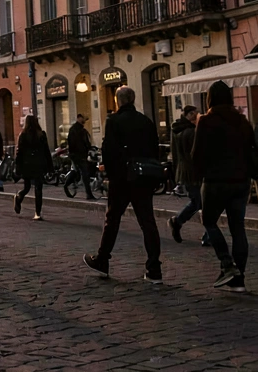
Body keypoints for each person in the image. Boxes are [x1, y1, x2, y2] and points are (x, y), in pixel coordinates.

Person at [83, 86, 162, 283]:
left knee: (112, 220)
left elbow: (109, 151)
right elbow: (155, 149)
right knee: (148, 222)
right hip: (143, 177)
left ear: (118, 101)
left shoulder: (114, 121)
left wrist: (110, 174)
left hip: (122, 179)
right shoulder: (146, 121)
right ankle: (154, 268)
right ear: (133, 100)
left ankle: (102, 259)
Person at [192, 81, 256, 292]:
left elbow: (197, 153)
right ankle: (239, 279)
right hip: (241, 179)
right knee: (238, 228)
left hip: (216, 180)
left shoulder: (206, 121)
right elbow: (251, 148)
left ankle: (227, 264)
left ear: (209, 99)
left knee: (209, 221)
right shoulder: (242, 121)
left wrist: (196, 175)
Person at [169, 105, 208, 245]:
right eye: (195, 114)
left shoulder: (176, 129)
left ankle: (178, 222)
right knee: (202, 202)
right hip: (194, 172)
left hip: (184, 171)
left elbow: (174, 153)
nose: (197, 117)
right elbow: (198, 153)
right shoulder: (191, 132)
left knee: (199, 202)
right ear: (190, 114)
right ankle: (178, 221)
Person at [13, 113, 52, 221]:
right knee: (38, 189)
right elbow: (46, 151)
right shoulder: (41, 134)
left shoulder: (23, 135)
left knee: (27, 187)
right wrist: (50, 167)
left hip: (27, 165)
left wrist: (18, 167)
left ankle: (19, 197)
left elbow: (19, 152)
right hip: (39, 164)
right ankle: (37, 213)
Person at [67, 113, 97, 200]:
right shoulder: (75, 130)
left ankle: (70, 184)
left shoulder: (81, 130)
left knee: (83, 172)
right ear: (79, 118)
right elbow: (73, 143)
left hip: (81, 154)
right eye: (83, 118)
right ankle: (88, 193)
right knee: (84, 173)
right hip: (78, 155)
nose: (84, 121)